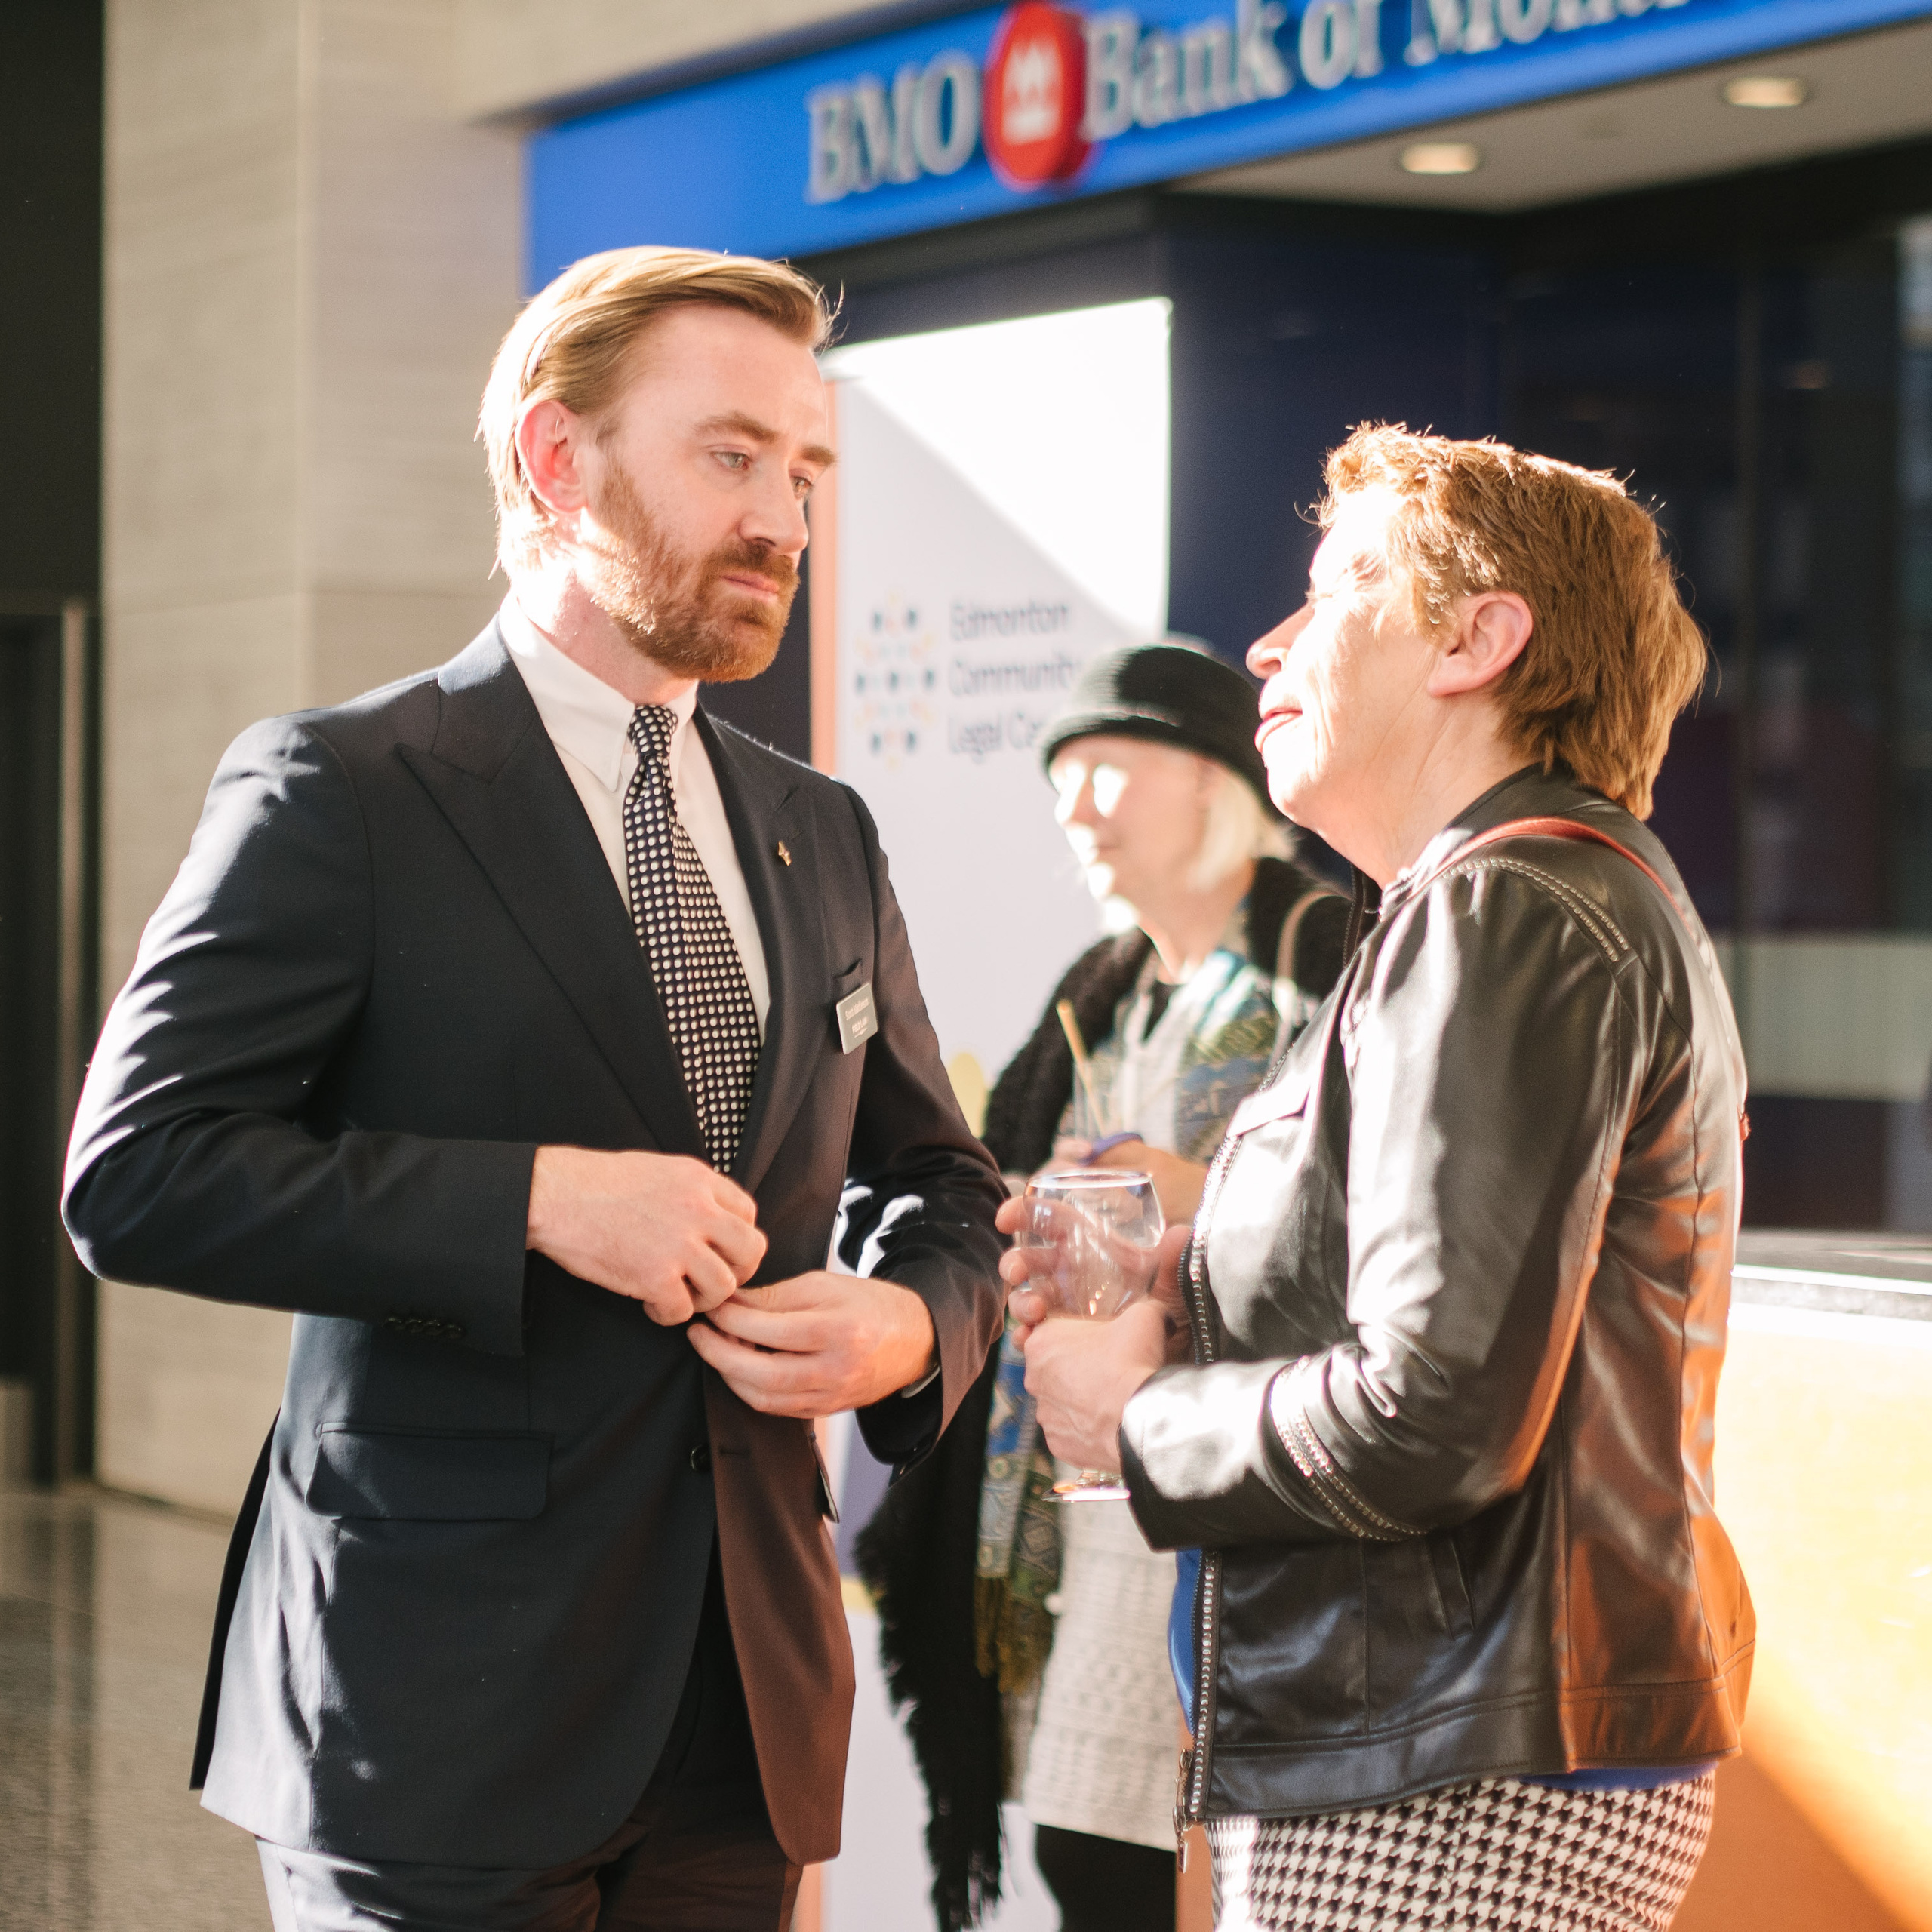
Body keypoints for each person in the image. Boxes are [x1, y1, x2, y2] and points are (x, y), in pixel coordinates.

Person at [61, 245, 1007, 1932]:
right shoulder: (341, 788)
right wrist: (535, 1200)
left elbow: (939, 1183)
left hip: (746, 1707)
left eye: (803, 469)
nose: (784, 518)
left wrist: (912, 1329)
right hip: (433, 1714)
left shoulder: (823, 831)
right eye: (730, 455)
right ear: (557, 461)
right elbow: (137, 1169)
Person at [1008, 426, 1753, 1931]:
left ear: (1479, 639)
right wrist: (1197, 1252)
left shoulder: (1502, 909)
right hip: (1456, 1740)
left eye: (1334, 586)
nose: (1265, 643)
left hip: (1448, 1770)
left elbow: (1430, 1409)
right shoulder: (1522, 896)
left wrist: (1133, 1414)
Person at [860, 641, 1348, 1932]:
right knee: (1088, 1850)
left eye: (1106, 774)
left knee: (1167, 1866)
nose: (1074, 809)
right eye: (1058, 780)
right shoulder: (1102, 990)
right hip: (1083, 1480)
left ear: (1212, 780)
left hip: (1243, 1475)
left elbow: (1369, 1202)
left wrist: (1192, 1193)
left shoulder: (1333, 954)